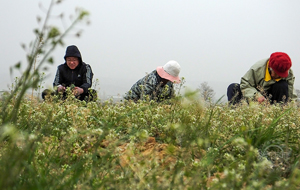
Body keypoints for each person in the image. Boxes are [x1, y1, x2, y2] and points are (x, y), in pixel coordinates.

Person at [227, 52, 297, 105]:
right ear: (270, 67)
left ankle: (279, 115)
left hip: (272, 98)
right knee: (233, 87)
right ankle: (237, 114)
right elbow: (245, 84)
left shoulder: (287, 71)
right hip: (253, 96)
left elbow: (291, 94)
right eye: (277, 74)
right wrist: (257, 96)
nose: (280, 76)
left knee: (282, 85)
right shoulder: (257, 69)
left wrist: (293, 109)